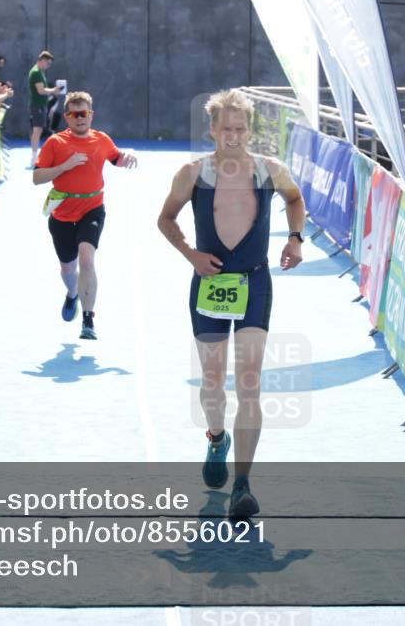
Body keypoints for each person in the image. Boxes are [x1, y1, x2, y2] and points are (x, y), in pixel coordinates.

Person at [157, 89, 305, 519]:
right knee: (212, 380)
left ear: (250, 129)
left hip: (255, 282)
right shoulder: (193, 173)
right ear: (213, 130)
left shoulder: (271, 170)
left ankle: (243, 483)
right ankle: (217, 437)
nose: (235, 136)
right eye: (227, 129)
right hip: (209, 285)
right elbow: (165, 218)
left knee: (250, 381)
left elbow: (295, 200)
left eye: (241, 128)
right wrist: (191, 255)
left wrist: (295, 238)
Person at [32, 91, 137, 340]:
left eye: (85, 113)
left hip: (92, 208)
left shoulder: (101, 139)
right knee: (68, 270)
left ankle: (88, 320)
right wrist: (63, 167)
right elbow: (37, 177)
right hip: (62, 213)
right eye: (75, 114)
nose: (80, 118)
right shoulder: (56, 142)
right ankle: (72, 295)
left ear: (91, 115)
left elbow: (116, 158)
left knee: (87, 259)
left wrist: (128, 155)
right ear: (67, 117)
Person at [28, 51, 61, 167]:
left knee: (38, 130)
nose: (48, 66)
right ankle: (34, 157)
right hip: (38, 105)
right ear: (42, 60)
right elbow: (41, 90)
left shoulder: (39, 72)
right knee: (37, 131)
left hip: (40, 105)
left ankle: (34, 155)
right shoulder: (36, 72)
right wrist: (54, 90)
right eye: (48, 63)